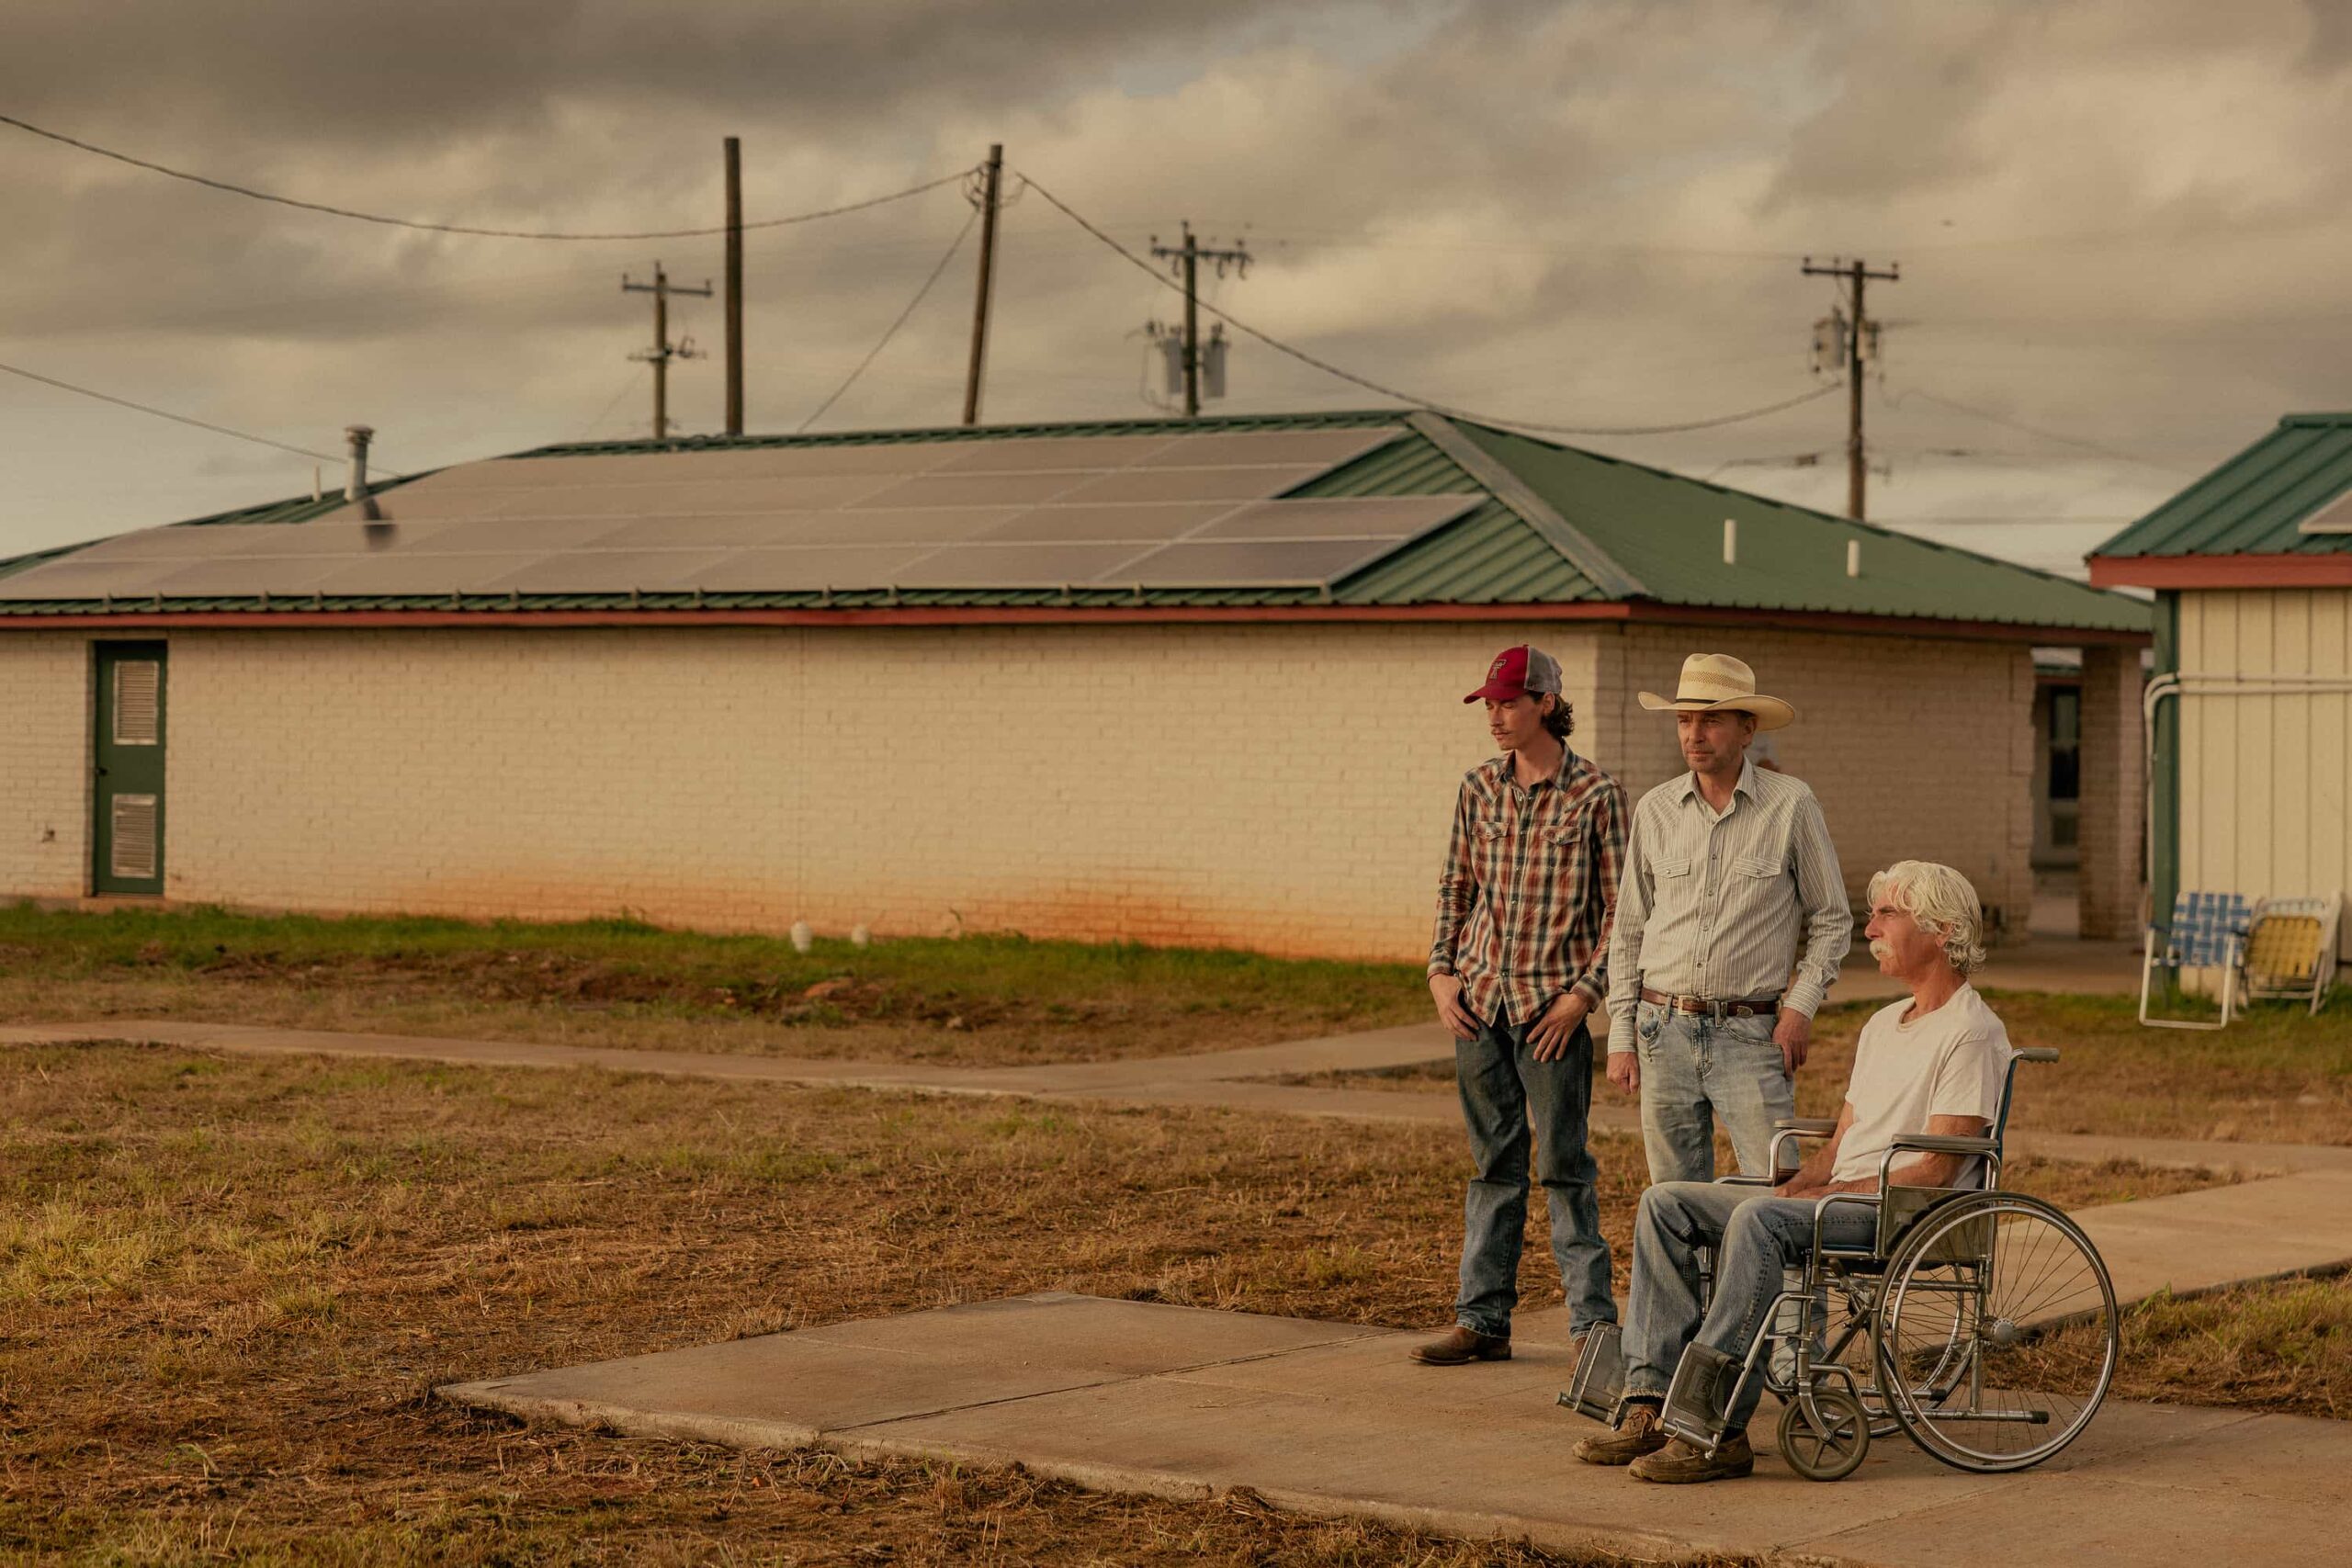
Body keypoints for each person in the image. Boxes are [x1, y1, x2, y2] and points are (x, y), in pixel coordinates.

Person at [1575, 860, 2013, 1483]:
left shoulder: (1972, 1032)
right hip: (1846, 1199)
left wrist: (1823, 1194)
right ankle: (1648, 1402)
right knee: (1666, 1202)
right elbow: (1839, 1148)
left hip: (1905, 1214)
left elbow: (1935, 1169)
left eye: (1888, 913)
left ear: (1940, 930)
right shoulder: (1882, 1024)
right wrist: (1801, 1184)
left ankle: (1717, 1428)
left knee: (1758, 1219)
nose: (1871, 927)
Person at [1414, 644, 1630, 1366]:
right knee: (1491, 1167)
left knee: (1565, 1168)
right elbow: (1455, 888)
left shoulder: (1597, 795)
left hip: (1551, 1013)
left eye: (1509, 702)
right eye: (1491, 704)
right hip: (1478, 1003)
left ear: (1544, 702)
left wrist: (1583, 997)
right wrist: (1441, 973)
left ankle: (1592, 1331)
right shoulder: (1478, 788)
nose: (1497, 717)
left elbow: (1622, 913)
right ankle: (1482, 1320)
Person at [1604, 653, 1851, 1184]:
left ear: (1748, 729)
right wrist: (1620, 1034)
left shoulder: (1792, 805)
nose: (1694, 734)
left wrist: (1800, 1008)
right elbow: (1627, 930)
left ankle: (1766, 1274)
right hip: (1660, 1029)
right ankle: (1689, 1275)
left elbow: (1832, 918)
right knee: (1674, 1204)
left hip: (1751, 1034)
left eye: (1710, 719)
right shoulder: (1655, 810)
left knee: (1774, 1196)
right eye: (1684, 720)